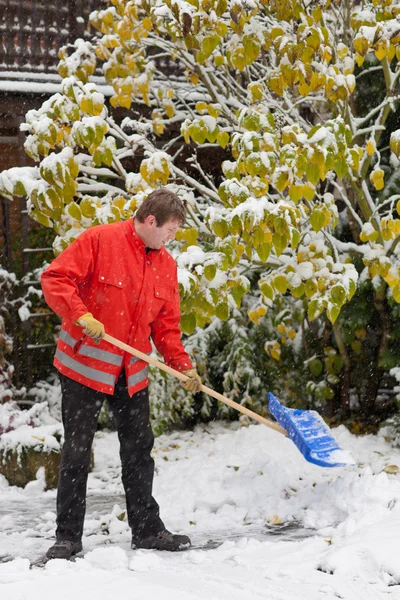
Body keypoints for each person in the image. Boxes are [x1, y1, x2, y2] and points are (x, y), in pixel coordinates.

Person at [41, 188, 202, 559]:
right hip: (84, 366)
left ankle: (146, 530)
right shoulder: (100, 240)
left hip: (131, 371)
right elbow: (56, 278)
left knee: (139, 450)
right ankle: (67, 537)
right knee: (78, 452)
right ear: (150, 221)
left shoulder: (166, 265)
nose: (172, 238)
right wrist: (80, 314)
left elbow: (166, 326)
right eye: (170, 230)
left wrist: (182, 366)